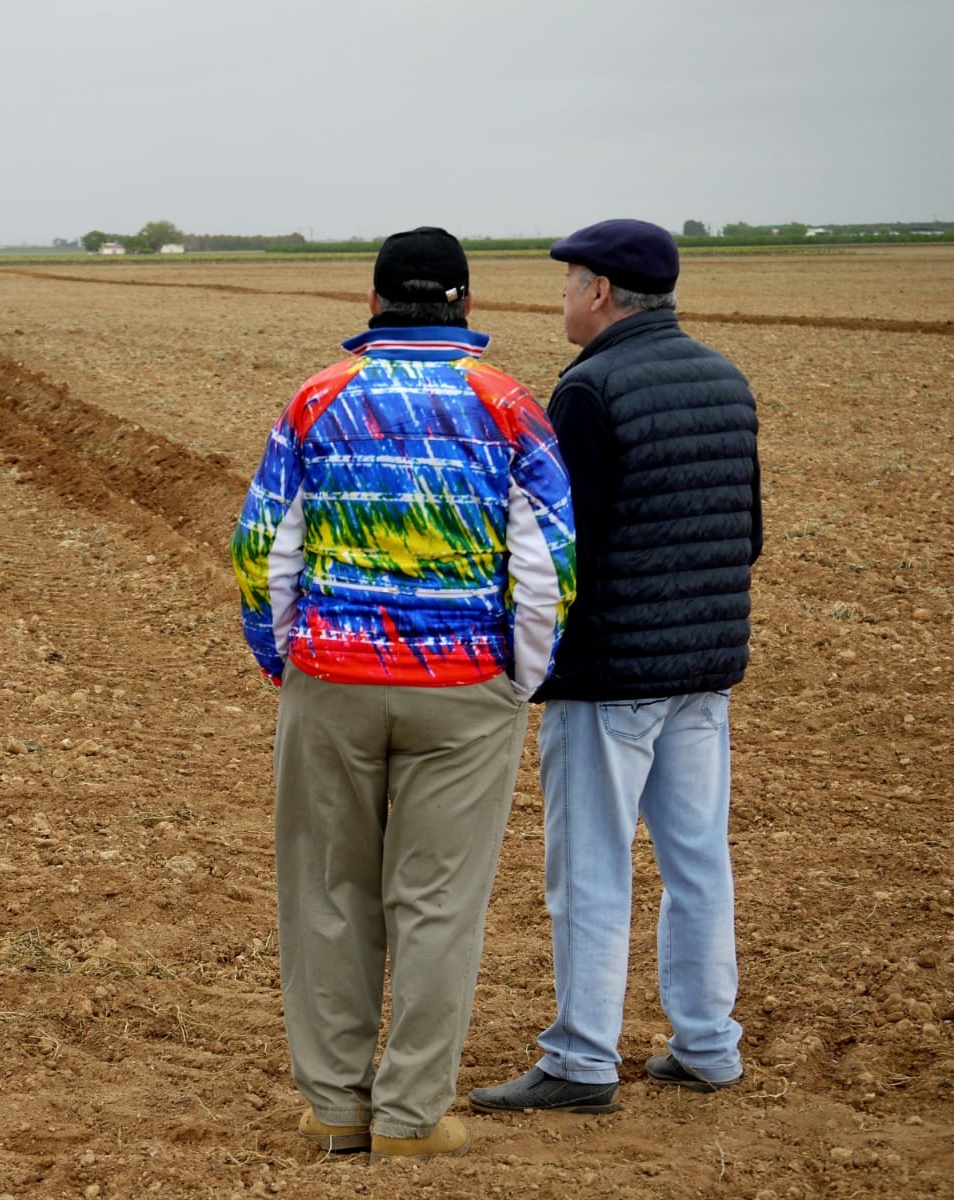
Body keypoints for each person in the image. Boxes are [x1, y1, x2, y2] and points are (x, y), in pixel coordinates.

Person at [231, 227, 576, 1160]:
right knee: (437, 904)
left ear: (374, 304)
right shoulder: (508, 406)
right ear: (465, 305)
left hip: (331, 681)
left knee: (327, 893)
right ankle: (413, 1116)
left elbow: (263, 547)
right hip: (464, 689)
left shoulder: (317, 399)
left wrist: (286, 658)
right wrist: (520, 676)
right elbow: (548, 561)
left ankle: (336, 1107)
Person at [469, 218, 762, 1116]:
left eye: (567, 283)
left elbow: (565, 550)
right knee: (697, 860)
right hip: (703, 672)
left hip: (609, 679)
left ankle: (583, 1060)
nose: (560, 297)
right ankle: (708, 1044)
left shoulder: (589, 391)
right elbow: (747, 534)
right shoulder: (725, 379)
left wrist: (522, 656)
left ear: (600, 292)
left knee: (591, 866)